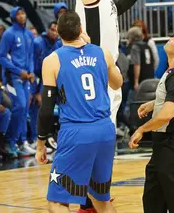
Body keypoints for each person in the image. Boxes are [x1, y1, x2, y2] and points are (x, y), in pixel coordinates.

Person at [71, 0, 149, 212]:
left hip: (107, 72)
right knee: (98, 137)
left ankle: (92, 194)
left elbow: (114, 11)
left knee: (103, 137)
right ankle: (88, 193)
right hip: (96, 72)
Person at [34, 11, 123, 213]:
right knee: (102, 200)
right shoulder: (102, 53)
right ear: (81, 29)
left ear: (58, 32)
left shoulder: (53, 60)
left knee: (57, 202)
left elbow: (47, 110)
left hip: (76, 132)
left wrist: (41, 143)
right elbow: (117, 83)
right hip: (104, 130)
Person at [129, 31, 174, 213]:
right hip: (163, 143)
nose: (170, 38)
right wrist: (153, 104)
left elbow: (168, 114)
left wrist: (142, 129)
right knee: (153, 197)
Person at [0, 6, 36, 157]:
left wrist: (31, 72)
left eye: (23, 12)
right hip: (13, 77)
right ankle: (10, 142)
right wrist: (19, 72)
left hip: (26, 77)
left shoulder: (28, 34)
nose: (21, 15)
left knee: (25, 108)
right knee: (19, 106)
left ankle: (22, 142)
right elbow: (1, 57)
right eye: (18, 14)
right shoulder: (9, 34)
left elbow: (31, 56)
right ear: (13, 17)